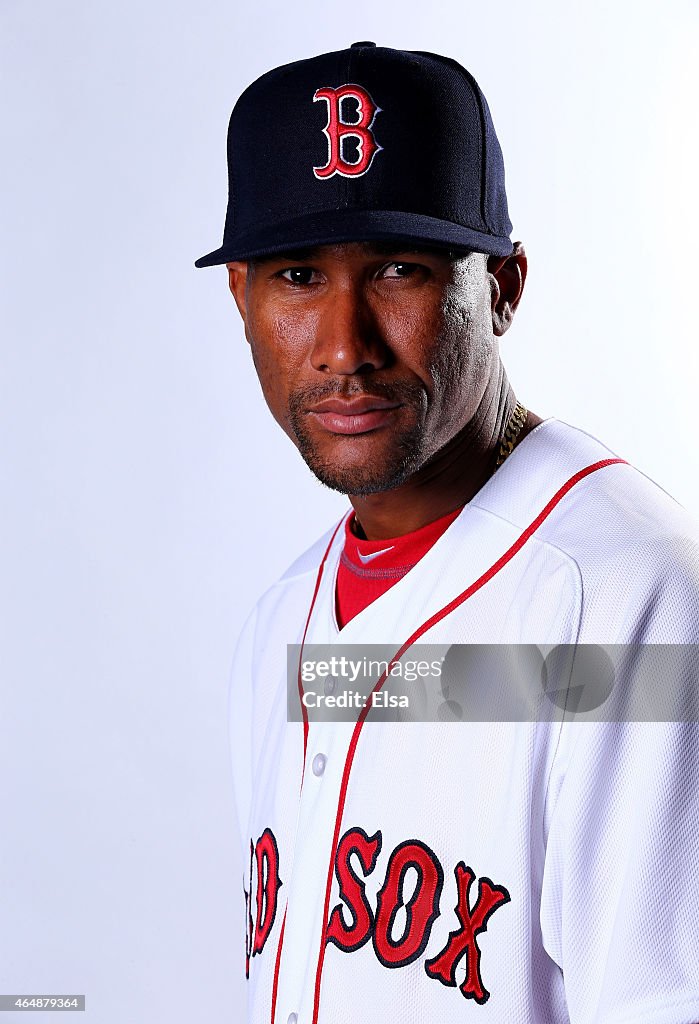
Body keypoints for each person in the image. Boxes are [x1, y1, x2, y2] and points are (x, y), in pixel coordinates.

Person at [195, 42, 699, 1024]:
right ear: (243, 298)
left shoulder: (628, 600)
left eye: (399, 268)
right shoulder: (278, 632)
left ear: (503, 287)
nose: (345, 345)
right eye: (300, 274)